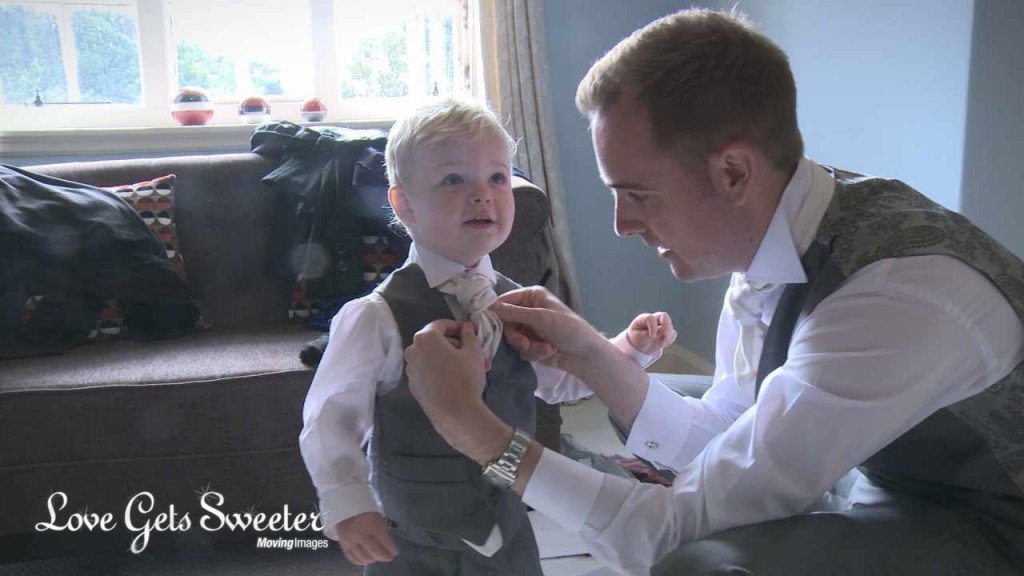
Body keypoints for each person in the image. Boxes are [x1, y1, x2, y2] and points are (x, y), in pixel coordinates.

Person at [401, 9, 1024, 576]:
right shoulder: (779, 227)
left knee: (699, 566)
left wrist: (475, 433)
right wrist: (594, 356)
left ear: (733, 172)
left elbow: (674, 530)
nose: (622, 224)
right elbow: (730, 427)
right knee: (633, 409)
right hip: (864, 468)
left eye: (637, 193)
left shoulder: (899, 296)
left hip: (984, 523)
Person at [298, 97, 677, 575]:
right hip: (418, 538)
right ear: (405, 203)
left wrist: (627, 349)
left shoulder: (523, 303)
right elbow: (328, 418)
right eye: (453, 179)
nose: (482, 194)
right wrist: (349, 503)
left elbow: (560, 382)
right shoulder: (375, 317)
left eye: (497, 177)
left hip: (510, 526)